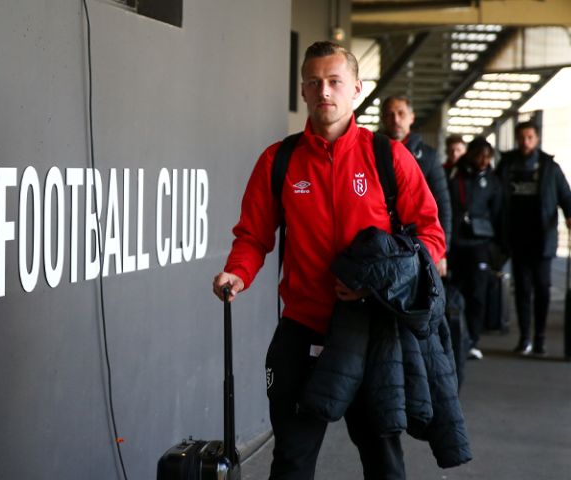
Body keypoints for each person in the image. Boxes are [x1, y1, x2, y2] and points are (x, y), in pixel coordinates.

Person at [212, 41, 446, 480]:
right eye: (314, 82)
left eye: (335, 82)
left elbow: (431, 237)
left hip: (373, 332)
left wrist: (379, 285)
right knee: (291, 463)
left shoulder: (388, 157)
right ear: (302, 91)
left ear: (355, 88)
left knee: (384, 463)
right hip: (303, 329)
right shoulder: (278, 160)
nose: (324, 91)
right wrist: (237, 272)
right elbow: (253, 235)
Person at [496, 121, 571, 356]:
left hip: (542, 240)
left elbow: (565, 197)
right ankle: (524, 339)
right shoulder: (507, 165)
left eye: (529, 137)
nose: (525, 142)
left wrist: (570, 217)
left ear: (537, 139)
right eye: (522, 137)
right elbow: (495, 197)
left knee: (542, 289)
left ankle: (540, 338)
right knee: (522, 290)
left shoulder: (550, 167)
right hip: (516, 239)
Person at [381, 95, 451, 277]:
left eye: (401, 113)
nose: (395, 119)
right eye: (389, 115)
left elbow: (442, 205)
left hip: (416, 245)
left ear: (411, 117)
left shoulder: (428, 156)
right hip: (382, 244)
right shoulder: (373, 151)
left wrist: (441, 252)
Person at [446, 137, 503, 360]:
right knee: (452, 290)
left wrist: (498, 251)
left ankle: (473, 339)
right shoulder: (454, 174)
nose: (483, 161)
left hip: (480, 243)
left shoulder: (492, 180)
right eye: (480, 155)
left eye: (488, 157)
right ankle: (453, 335)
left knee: (477, 293)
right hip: (456, 243)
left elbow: (498, 214)